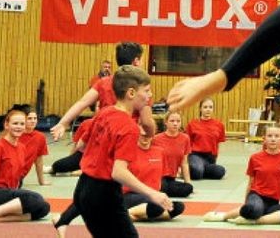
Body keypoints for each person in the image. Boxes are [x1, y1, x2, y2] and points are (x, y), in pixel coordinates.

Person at [72, 64, 172, 237]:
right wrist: (152, 193)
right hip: (104, 193)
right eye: (147, 91)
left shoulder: (104, 112)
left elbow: (81, 146)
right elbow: (119, 172)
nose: (150, 96)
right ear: (131, 93)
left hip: (83, 189)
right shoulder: (129, 127)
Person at [53, 41, 155, 141]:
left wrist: (63, 123)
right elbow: (146, 122)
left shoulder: (104, 82)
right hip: (125, 136)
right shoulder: (141, 86)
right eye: (141, 60)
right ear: (136, 61)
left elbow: (82, 103)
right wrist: (151, 135)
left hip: (103, 136)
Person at [204, 123, 280, 225]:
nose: (273, 139)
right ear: (264, 138)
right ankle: (223, 216)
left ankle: (256, 220)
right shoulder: (255, 158)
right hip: (256, 196)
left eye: (276, 136)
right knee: (252, 209)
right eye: (269, 136)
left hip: (273, 203)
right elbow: (250, 183)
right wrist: (246, 202)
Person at [0, 108, 51, 223]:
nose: (19, 127)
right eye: (15, 123)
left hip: (9, 193)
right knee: (34, 198)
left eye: (22, 124)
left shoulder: (21, 148)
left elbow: (16, 179)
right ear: (6, 125)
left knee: (45, 208)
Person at [152, 111, 193, 197]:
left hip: (171, 178)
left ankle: (160, 191)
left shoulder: (185, 138)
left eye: (178, 121)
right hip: (158, 176)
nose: (175, 124)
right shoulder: (156, 139)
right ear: (166, 122)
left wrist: (188, 182)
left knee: (188, 188)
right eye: (172, 121)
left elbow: (184, 163)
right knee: (162, 185)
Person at [186, 97, 227, 179]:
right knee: (197, 173)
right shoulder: (192, 124)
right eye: (205, 107)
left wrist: (215, 158)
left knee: (220, 172)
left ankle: (198, 170)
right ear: (200, 109)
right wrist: (185, 161)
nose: (208, 110)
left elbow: (218, 143)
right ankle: (193, 170)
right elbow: (187, 144)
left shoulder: (219, 125)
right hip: (195, 155)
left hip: (210, 157)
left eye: (210, 107)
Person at [19, 109, 51, 186]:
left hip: (20, 177)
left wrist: (41, 181)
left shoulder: (40, 137)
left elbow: (39, 160)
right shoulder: (15, 134)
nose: (33, 121)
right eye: (29, 118)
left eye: (35, 118)